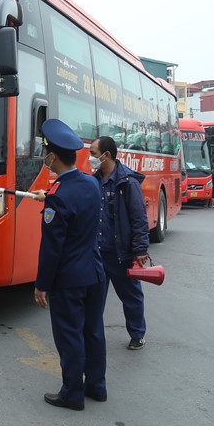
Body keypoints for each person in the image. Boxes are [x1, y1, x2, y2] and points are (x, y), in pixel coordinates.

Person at [34, 119, 106, 411]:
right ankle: (96, 386)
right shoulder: (90, 183)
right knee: (93, 331)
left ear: (52, 156)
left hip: (70, 278)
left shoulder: (58, 197)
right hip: (95, 272)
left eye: (45, 152)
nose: (45, 157)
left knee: (69, 335)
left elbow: (52, 249)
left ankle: (72, 393)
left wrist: (41, 285)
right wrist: (49, 196)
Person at [89, 136, 150, 352]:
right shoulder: (93, 181)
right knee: (94, 299)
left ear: (106, 155)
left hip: (120, 253)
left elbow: (139, 218)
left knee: (131, 296)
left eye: (93, 154)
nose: (90, 158)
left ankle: (137, 334)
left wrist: (140, 249)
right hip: (97, 252)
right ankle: (93, 337)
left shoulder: (128, 183)